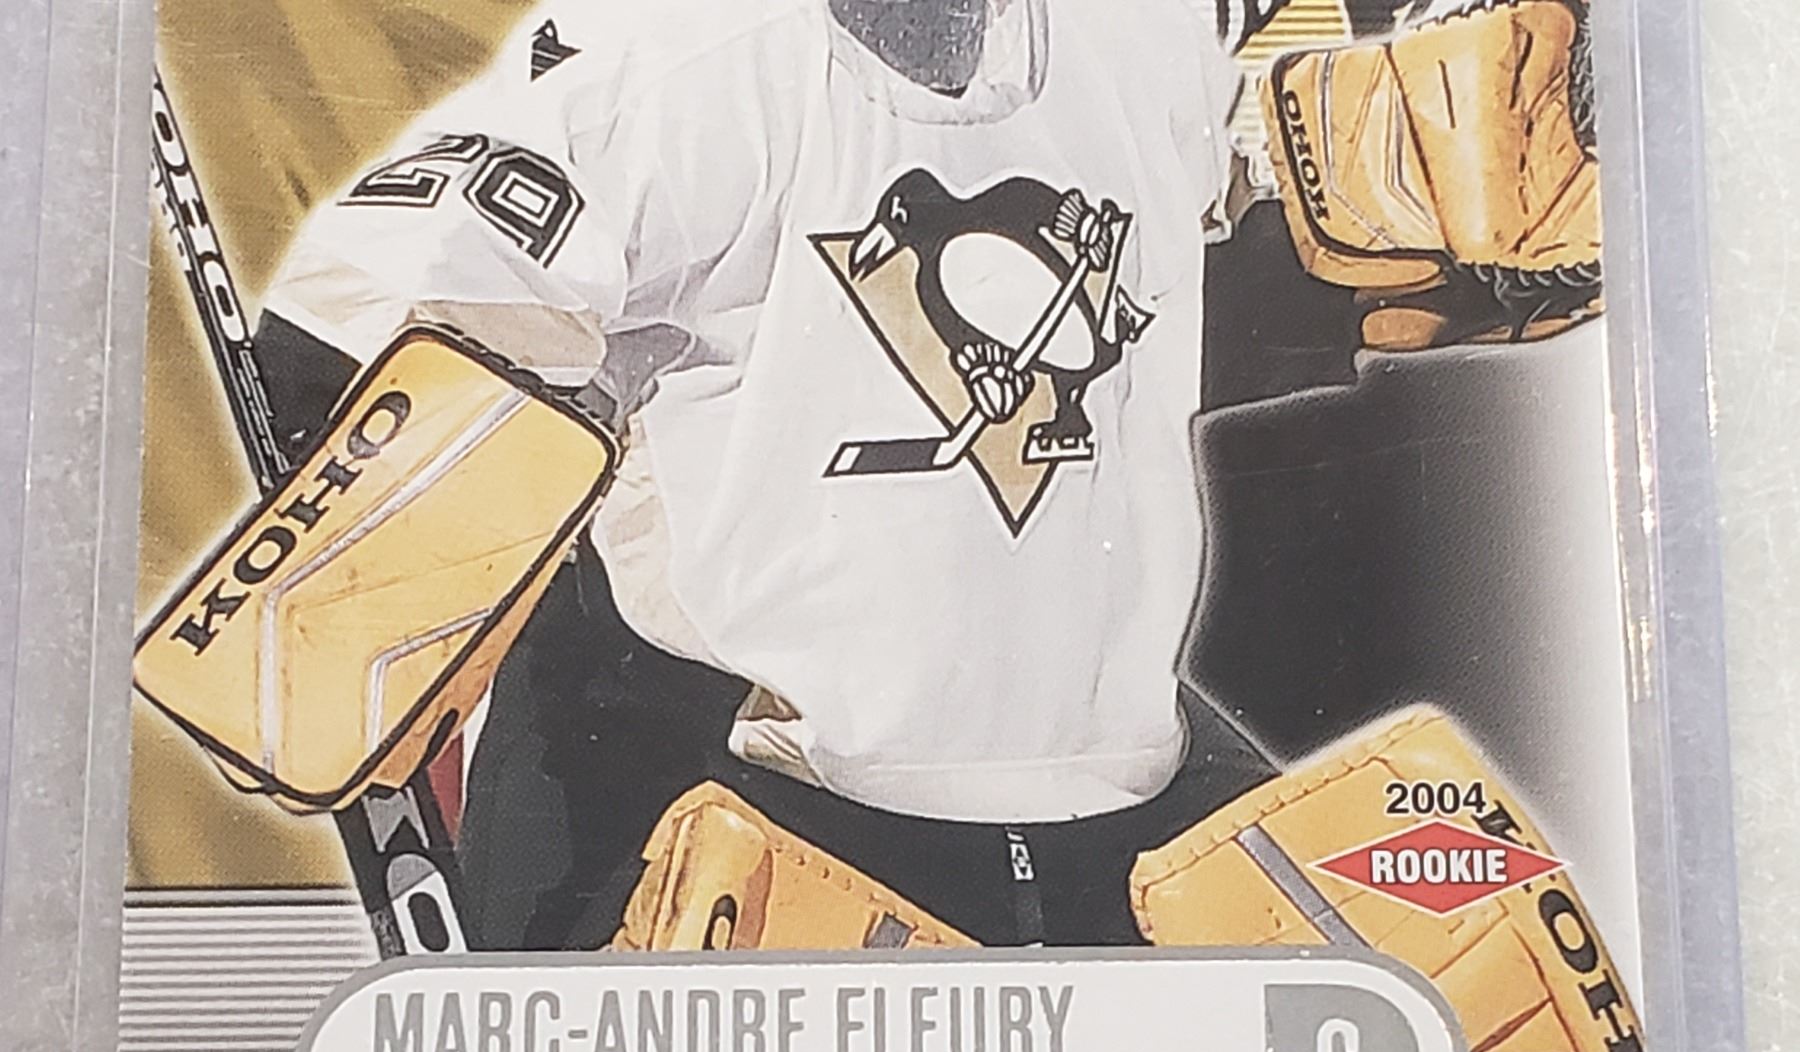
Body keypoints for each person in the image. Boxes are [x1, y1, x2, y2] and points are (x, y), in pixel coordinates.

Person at [249, 0, 1597, 952]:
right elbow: (354, 328)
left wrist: (1383, 233)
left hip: (1114, 795)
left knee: (1486, 1039)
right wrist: (383, 567)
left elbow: (1184, 274)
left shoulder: (1144, 32)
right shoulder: (680, 59)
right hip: (748, 806)